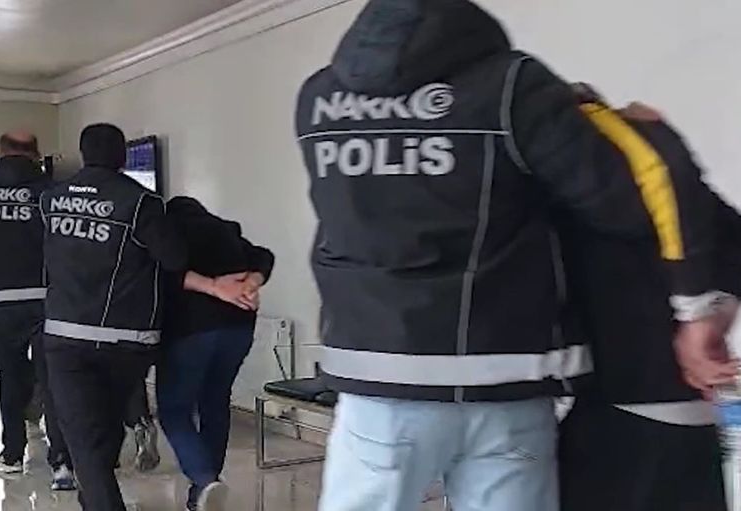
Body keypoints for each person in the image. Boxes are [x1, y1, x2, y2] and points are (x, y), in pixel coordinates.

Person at [294, 1, 725, 510]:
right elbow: (629, 204)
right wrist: (627, 132)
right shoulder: (512, 83)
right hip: (506, 376)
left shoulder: (318, 97)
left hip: (379, 376)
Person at [40, 123, 251, 511]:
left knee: (83, 437)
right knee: (105, 429)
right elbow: (174, 259)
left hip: (64, 336)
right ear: (122, 157)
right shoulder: (141, 202)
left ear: (84, 154)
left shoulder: (50, 199)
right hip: (124, 340)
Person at [556, 92, 736, 511]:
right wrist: (710, 320)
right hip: (690, 417)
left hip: (611, 417)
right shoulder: (667, 178)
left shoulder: (560, 190)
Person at [0, 131, 74, 490]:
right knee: (53, 379)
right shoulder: (51, 193)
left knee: (10, 376)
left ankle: (12, 452)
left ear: (1, 153)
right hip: (46, 298)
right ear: (36, 154)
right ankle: (62, 462)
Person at [157, 196, 274, 511]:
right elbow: (264, 256)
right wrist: (251, 282)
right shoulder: (224, 230)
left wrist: (210, 286)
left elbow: (162, 273)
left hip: (190, 332)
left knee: (174, 410)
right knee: (215, 402)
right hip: (238, 329)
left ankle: (205, 479)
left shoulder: (168, 233)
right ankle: (203, 492)